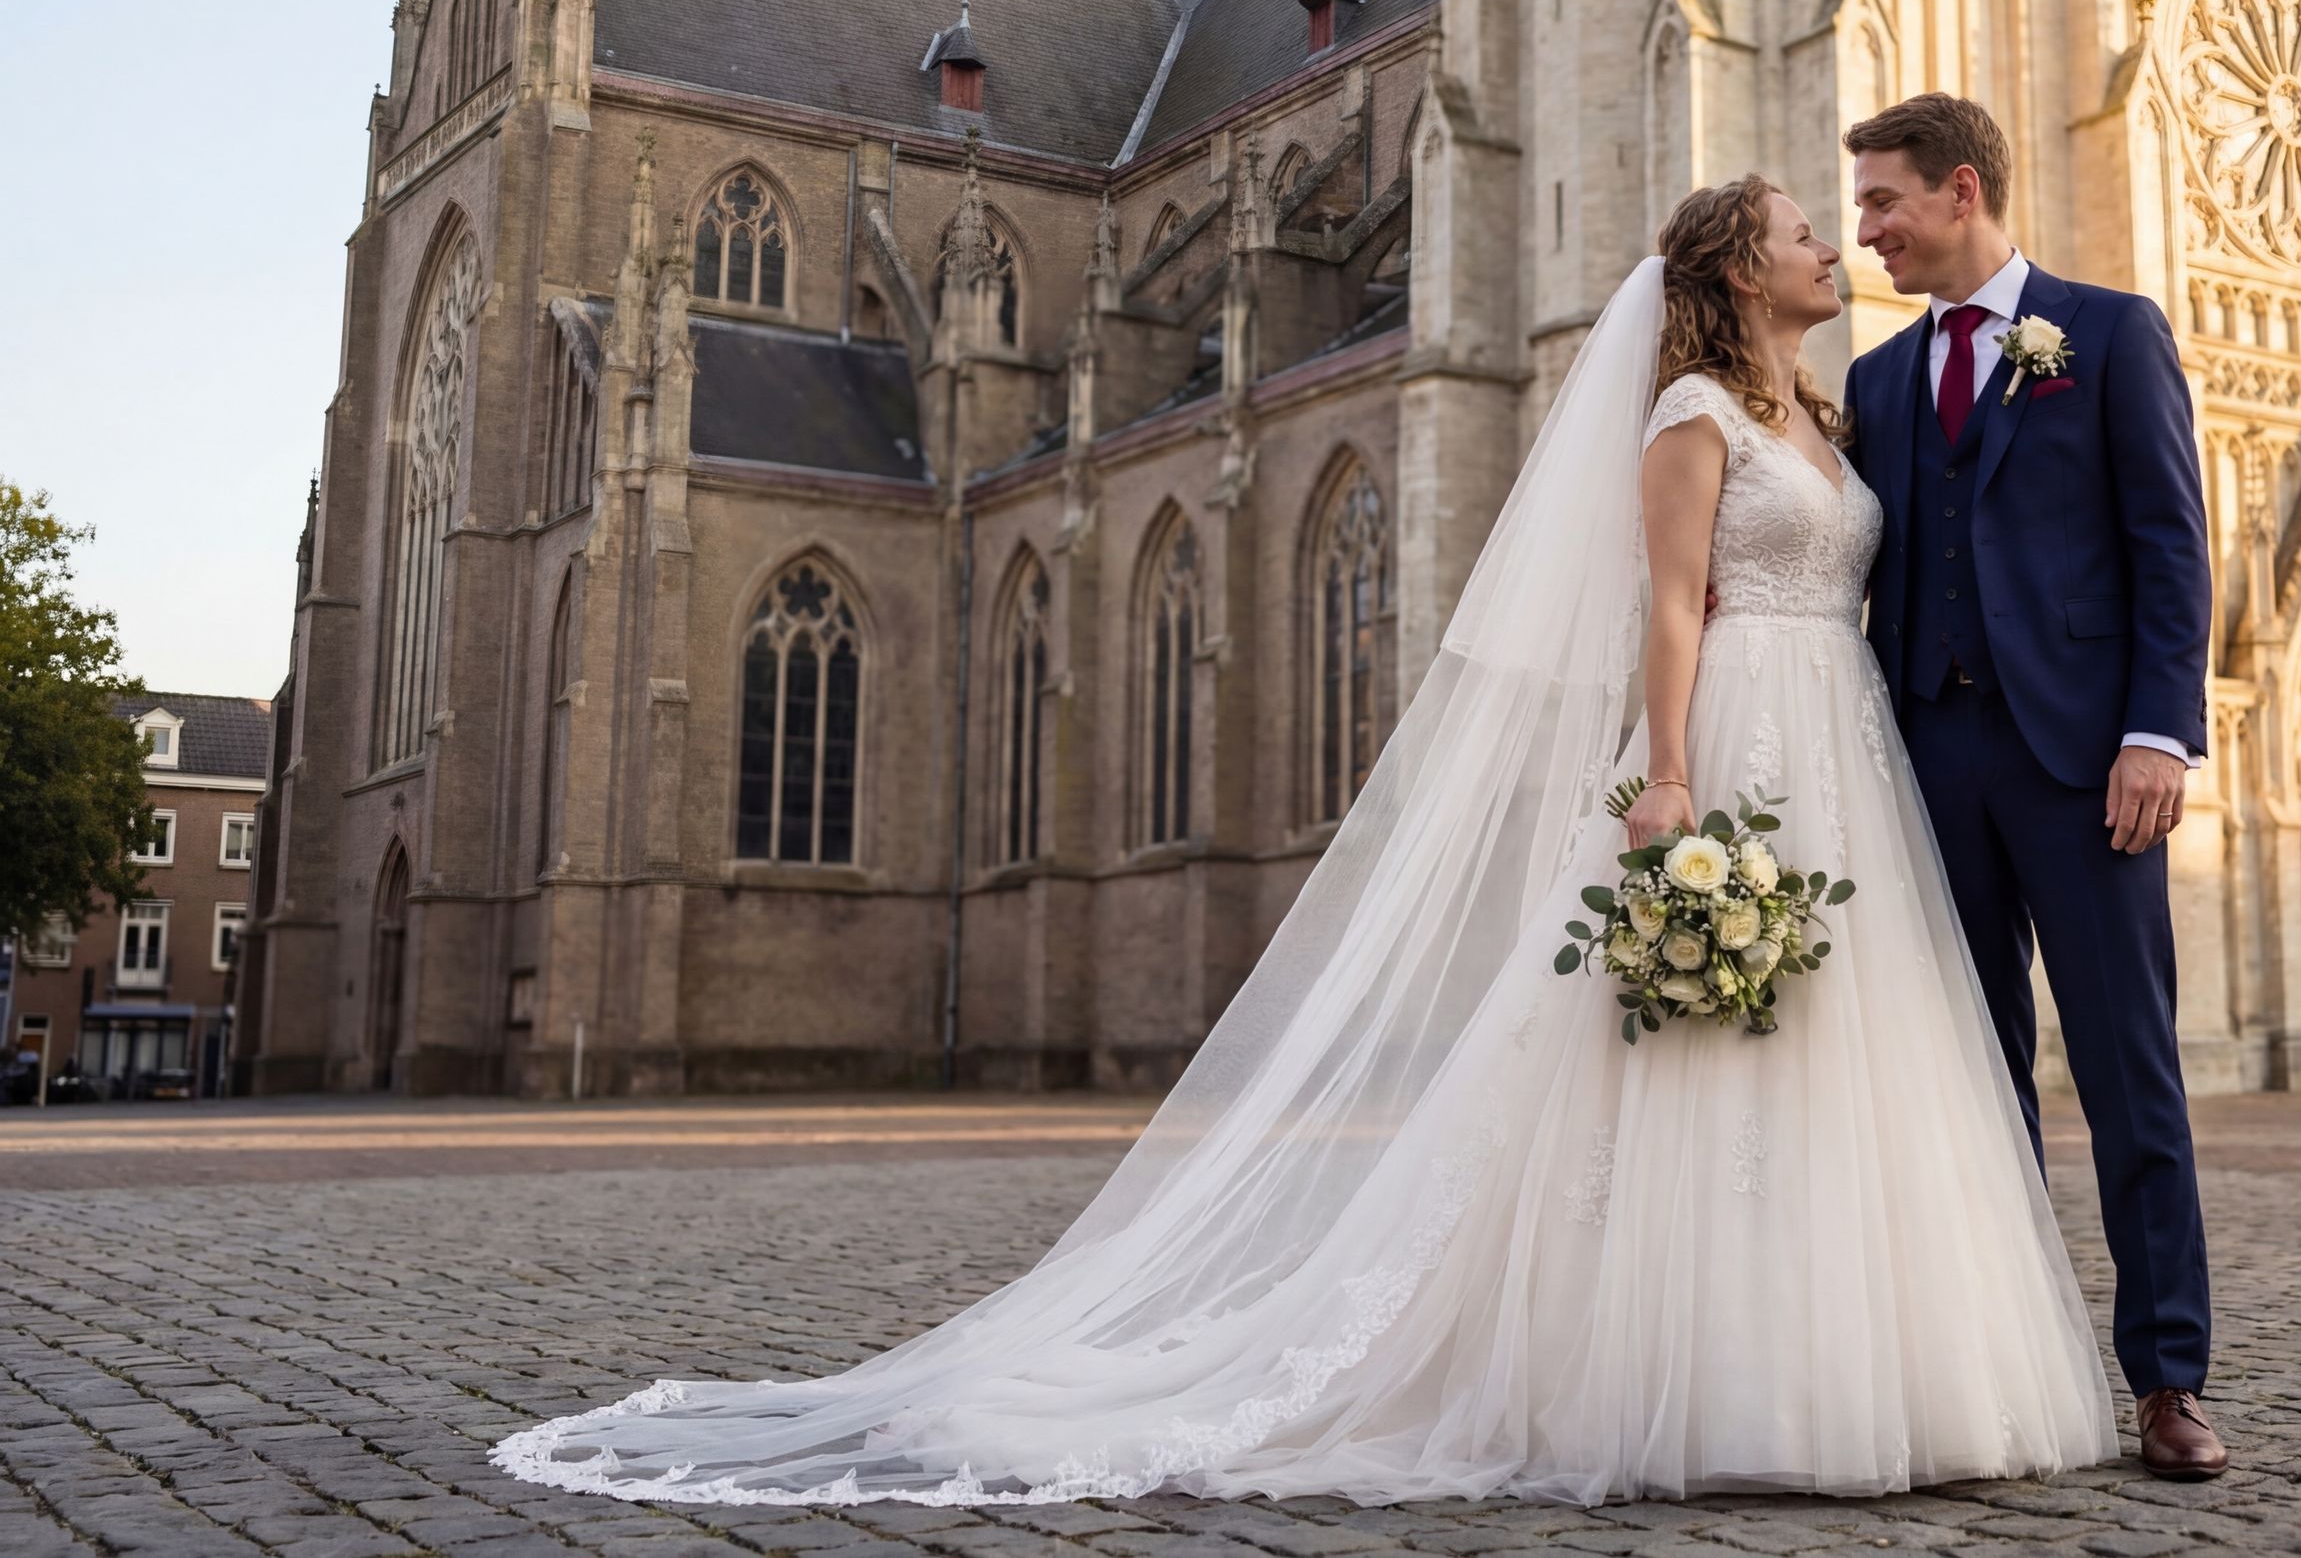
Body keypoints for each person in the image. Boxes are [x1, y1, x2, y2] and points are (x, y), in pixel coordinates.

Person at [493, 177, 2117, 1509]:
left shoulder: (1830, 408)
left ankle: (1854, 1357)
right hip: (1738, 734)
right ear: (1737, 271)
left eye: (1845, 222)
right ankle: (1698, 1373)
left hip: (1845, 749)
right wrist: (1669, 772)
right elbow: (1674, 605)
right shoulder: (1691, 408)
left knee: (1845, 1052)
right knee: (1692, 1055)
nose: (1837, 240)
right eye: (1806, 230)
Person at [1839, 93, 2226, 1480]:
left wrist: (2158, 733)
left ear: (1961, 190)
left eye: (1884, 201)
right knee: (1974, 1077)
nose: (1866, 231)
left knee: (2129, 1073)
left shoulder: (2108, 333)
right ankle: (2009, 1372)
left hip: (2088, 765)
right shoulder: (1879, 380)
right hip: (1929, 762)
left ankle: (2169, 1378)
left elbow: (2171, 546)